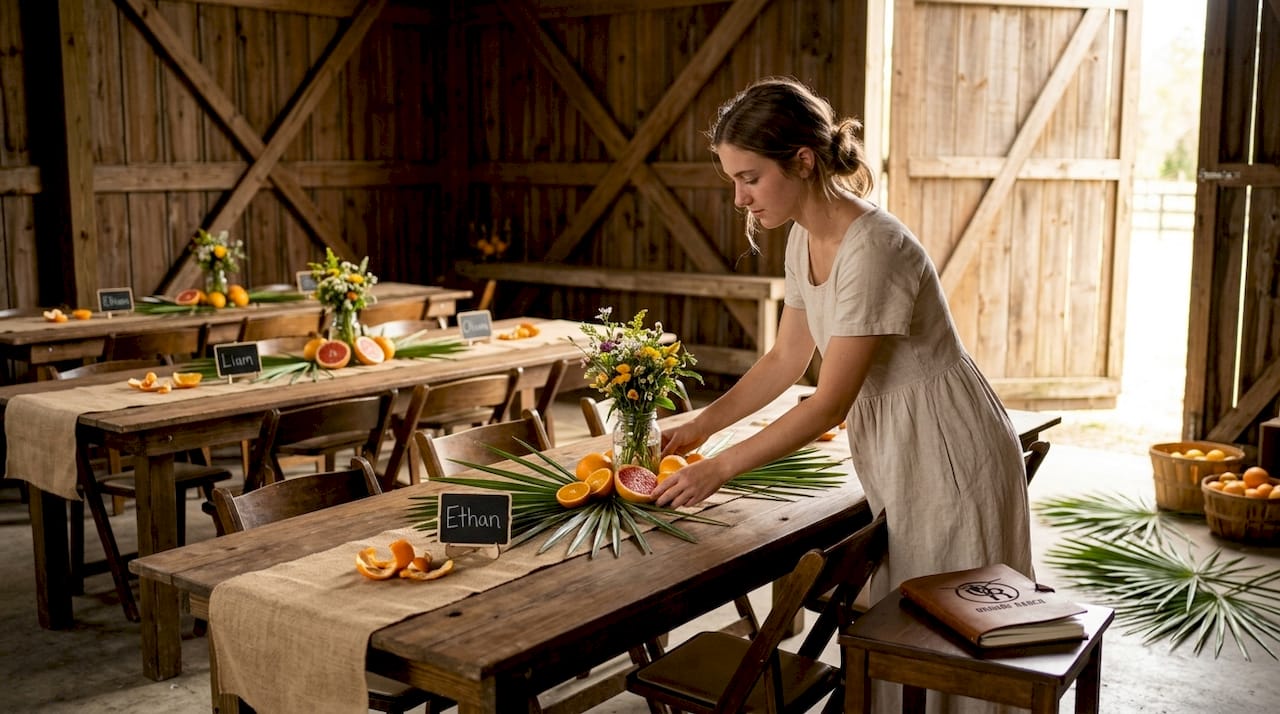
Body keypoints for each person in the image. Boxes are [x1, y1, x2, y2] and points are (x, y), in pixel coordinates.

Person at [655, 76, 1034, 612]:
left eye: (750, 178)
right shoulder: (802, 237)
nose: (740, 198)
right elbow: (785, 359)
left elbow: (830, 404)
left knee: (952, 622)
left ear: (803, 161)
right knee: (908, 616)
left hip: (945, 442)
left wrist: (718, 468)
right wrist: (701, 426)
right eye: (734, 181)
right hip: (897, 439)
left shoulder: (875, 247)